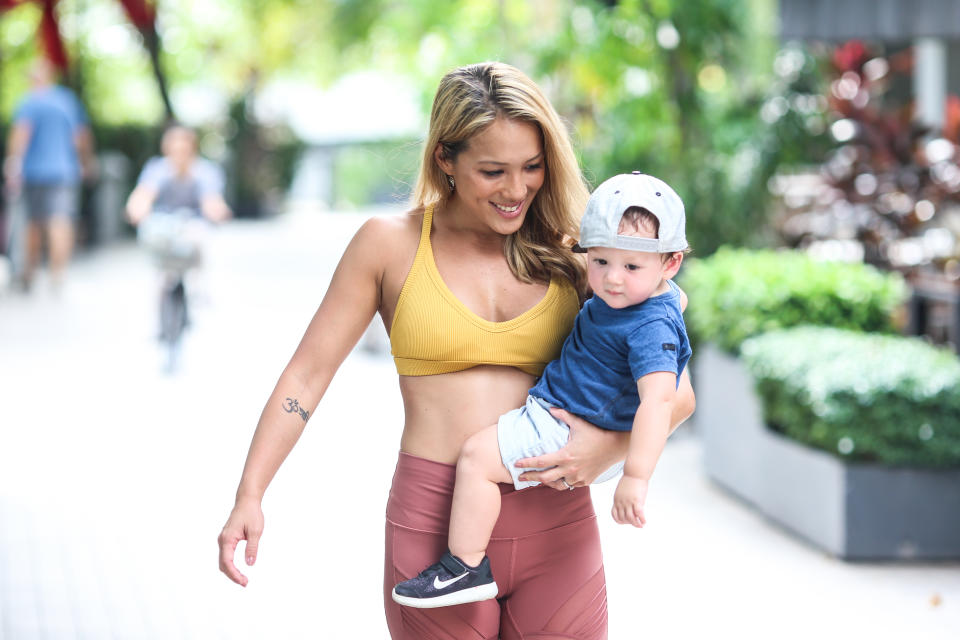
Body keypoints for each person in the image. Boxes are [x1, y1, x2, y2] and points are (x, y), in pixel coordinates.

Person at [217, 62, 695, 640]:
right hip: (435, 528)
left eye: (532, 167)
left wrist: (605, 451)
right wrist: (251, 493)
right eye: (493, 170)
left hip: (558, 527)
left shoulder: (585, 260)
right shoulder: (388, 246)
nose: (516, 189)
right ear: (445, 157)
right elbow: (306, 376)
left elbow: (678, 396)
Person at [392, 172, 691, 609]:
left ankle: (465, 565)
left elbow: (661, 399)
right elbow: (673, 298)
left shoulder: (650, 326)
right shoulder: (652, 293)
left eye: (630, 267)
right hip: (571, 413)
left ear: (670, 263)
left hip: (569, 428)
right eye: (600, 261)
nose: (611, 280)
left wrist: (636, 476)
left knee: (476, 458)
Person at [3, 59, 96, 292]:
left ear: (33, 79)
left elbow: (21, 134)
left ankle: (30, 274)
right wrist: (86, 163)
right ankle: (58, 274)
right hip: (65, 171)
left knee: (33, 222)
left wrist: (13, 162)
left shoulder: (29, 102)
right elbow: (80, 136)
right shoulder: (67, 100)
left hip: (34, 172)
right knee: (61, 220)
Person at [125, 124, 231, 225]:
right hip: (162, 226)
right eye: (175, 151)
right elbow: (143, 195)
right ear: (166, 150)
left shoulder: (207, 171)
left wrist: (217, 211)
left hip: (195, 226)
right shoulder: (157, 169)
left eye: (184, 151)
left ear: (193, 150)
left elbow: (211, 200)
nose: (179, 157)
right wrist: (137, 209)